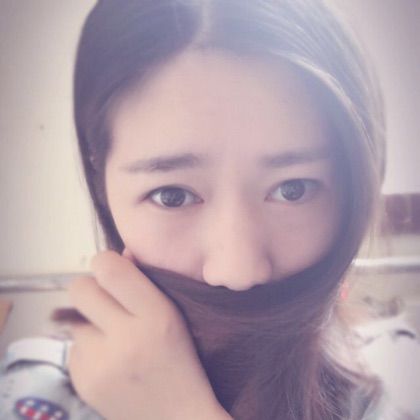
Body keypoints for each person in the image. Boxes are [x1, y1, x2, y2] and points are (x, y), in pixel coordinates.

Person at [0, 0, 394, 419]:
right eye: (172, 196)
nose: (238, 271)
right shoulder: (32, 396)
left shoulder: (396, 382)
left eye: (293, 189)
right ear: (102, 184)